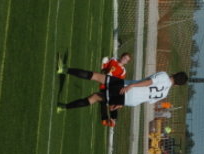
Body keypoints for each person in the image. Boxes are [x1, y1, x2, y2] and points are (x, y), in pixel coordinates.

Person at [56, 60, 188, 112]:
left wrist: (132, 86)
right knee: (95, 97)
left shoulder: (164, 76)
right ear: (177, 85)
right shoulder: (165, 94)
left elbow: (149, 83)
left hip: (127, 87)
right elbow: (146, 98)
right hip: (131, 101)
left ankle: (64, 69)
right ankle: (63, 107)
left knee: (97, 76)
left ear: (175, 73)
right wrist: (121, 104)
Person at [99, 53, 131, 127]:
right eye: (124, 57)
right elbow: (104, 68)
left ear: (126, 63)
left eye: (126, 60)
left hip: (112, 87)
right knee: (102, 100)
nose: (124, 59)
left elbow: (119, 82)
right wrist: (104, 65)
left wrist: (112, 78)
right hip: (104, 83)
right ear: (121, 56)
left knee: (112, 103)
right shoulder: (113, 60)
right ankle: (104, 119)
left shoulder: (123, 71)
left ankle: (113, 119)